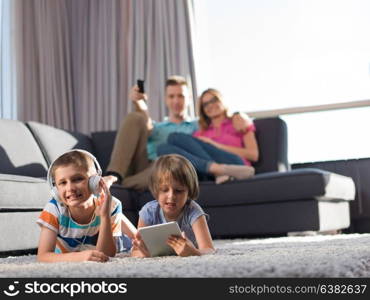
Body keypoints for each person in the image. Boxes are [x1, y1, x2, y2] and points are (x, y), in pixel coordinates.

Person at [36, 150, 136, 262]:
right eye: (63, 183)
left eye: (77, 179)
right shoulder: (54, 209)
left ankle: (108, 181)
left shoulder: (112, 205)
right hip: (71, 254)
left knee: (135, 240)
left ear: (94, 182)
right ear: (56, 190)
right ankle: (108, 180)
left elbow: (107, 255)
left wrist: (105, 216)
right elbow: (43, 256)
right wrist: (80, 257)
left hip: (117, 240)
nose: (70, 188)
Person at [106, 76, 198, 191]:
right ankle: (114, 175)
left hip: (168, 168)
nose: (176, 101)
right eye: (171, 96)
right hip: (143, 166)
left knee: (170, 164)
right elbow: (146, 121)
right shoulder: (157, 126)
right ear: (165, 99)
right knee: (135, 117)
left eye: (181, 96)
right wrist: (139, 102)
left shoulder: (197, 125)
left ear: (189, 98)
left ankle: (117, 186)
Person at [157, 88, 259, 184]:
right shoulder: (201, 132)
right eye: (205, 104)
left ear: (221, 100)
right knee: (162, 148)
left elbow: (254, 155)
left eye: (213, 100)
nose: (210, 105)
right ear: (203, 110)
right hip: (207, 175)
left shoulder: (239, 122)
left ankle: (216, 169)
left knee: (174, 137)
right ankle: (216, 171)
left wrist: (214, 144)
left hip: (237, 167)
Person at [131, 154, 215, 257]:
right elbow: (135, 251)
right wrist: (144, 253)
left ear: (189, 191)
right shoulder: (148, 211)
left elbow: (209, 250)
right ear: (156, 190)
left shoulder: (193, 211)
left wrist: (194, 252)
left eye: (178, 191)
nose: (171, 196)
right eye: (164, 190)